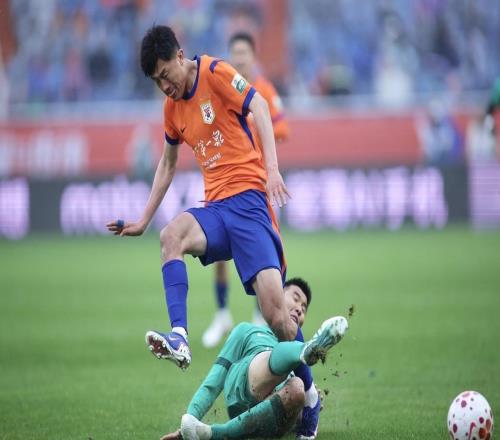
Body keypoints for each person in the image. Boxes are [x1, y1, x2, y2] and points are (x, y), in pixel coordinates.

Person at [106, 25, 296, 370]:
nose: (164, 86)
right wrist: (144, 221)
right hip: (218, 210)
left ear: (180, 56)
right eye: (156, 81)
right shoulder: (171, 108)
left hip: (250, 202)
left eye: (165, 75)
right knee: (171, 236)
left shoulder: (215, 71)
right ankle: (180, 335)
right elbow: (167, 164)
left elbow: (260, 105)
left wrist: (272, 170)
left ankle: (309, 390)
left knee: (277, 319)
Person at [160, 278, 349, 440]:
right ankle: (306, 351)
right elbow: (213, 381)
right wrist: (190, 420)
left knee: (298, 387)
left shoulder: (295, 352)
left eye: (304, 308)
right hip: (244, 391)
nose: (299, 309)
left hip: (272, 419)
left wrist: (305, 409)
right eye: (295, 298)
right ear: (276, 295)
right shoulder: (246, 330)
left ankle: (214, 434)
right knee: (273, 360)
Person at [203, 31, 290, 349]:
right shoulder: (221, 87)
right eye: (235, 52)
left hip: (257, 181)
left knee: (263, 250)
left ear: (253, 56)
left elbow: (282, 127)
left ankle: (259, 315)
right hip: (226, 180)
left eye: (244, 52)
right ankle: (222, 313)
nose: (239, 58)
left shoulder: (263, 90)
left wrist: (252, 125)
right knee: (219, 253)